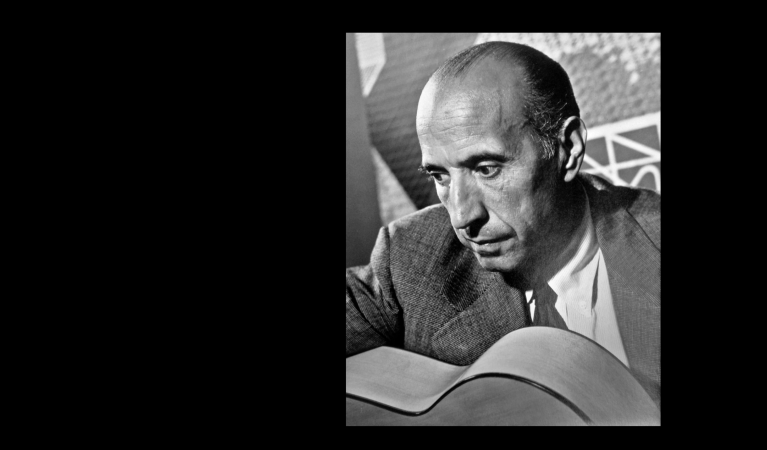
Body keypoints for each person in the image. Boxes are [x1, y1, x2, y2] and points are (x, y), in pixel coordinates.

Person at [345, 41, 660, 408]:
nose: (462, 217)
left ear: (568, 149)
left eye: (487, 169)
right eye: (439, 175)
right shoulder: (411, 260)